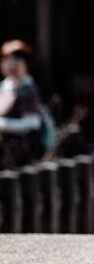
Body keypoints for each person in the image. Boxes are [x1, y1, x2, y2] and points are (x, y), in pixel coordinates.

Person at [0, 40, 45, 169]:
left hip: (22, 155)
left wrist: (2, 124)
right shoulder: (4, 87)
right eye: (7, 59)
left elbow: (32, 123)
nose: (11, 65)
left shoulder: (28, 88)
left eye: (16, 60)